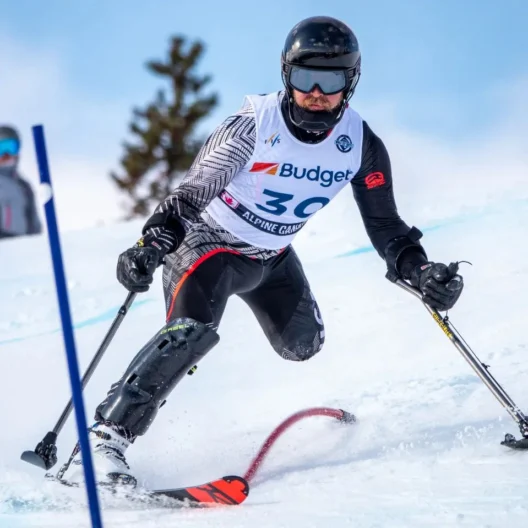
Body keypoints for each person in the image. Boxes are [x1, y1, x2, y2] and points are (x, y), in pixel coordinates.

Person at [60, 16, 464, 486]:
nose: (316, 92)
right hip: (206, 247)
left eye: (330, 80)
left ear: (350, 82)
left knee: (303, 346)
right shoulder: (253, 128)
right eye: (303, 78)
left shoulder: (360, 146)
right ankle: (104, 439)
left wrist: (421, 272)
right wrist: (149, 246)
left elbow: (387, 228)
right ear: (285, 75)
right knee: (190, 332)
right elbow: (189, 197)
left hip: (271, 257)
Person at [0, 125, 42, 240]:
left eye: (10, 147)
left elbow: (33, 219)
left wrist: (36, 242)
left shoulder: (23, 186)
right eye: (1, 148)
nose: (6, 154)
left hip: (20, 246)